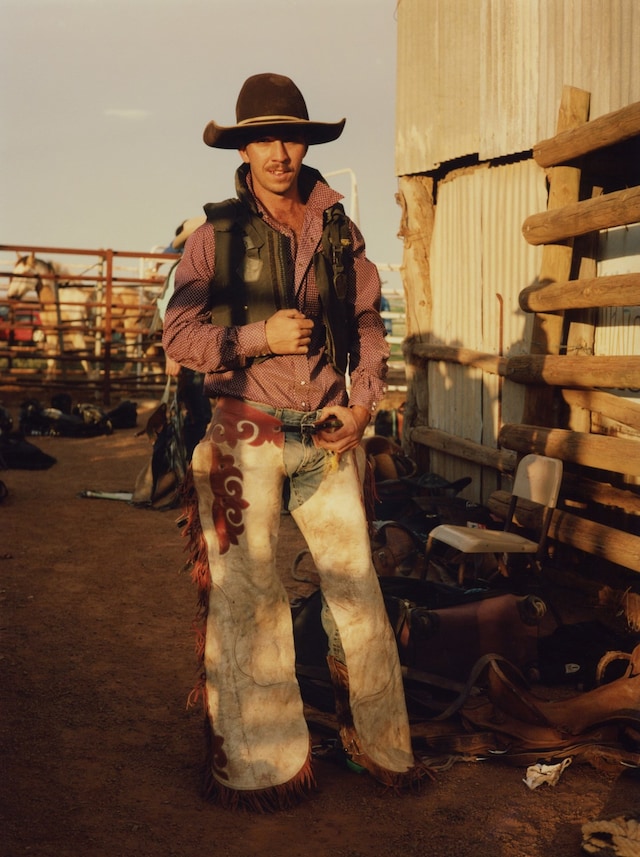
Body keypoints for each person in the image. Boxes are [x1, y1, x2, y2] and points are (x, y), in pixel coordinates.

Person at [162, 72, 421, 810]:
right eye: (264, 137)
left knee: (358, 591)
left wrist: (365, 402)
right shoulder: (214, 239)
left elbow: (369, 321)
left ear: (307, 143)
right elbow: (178, 334)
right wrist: (255, 336)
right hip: (247, 430)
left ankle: (382, 749)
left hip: (330, 433)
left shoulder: (337, 227)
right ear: (243, 147)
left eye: (292, 135)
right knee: (249, 599)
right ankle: (259, 767)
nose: (280, 151)